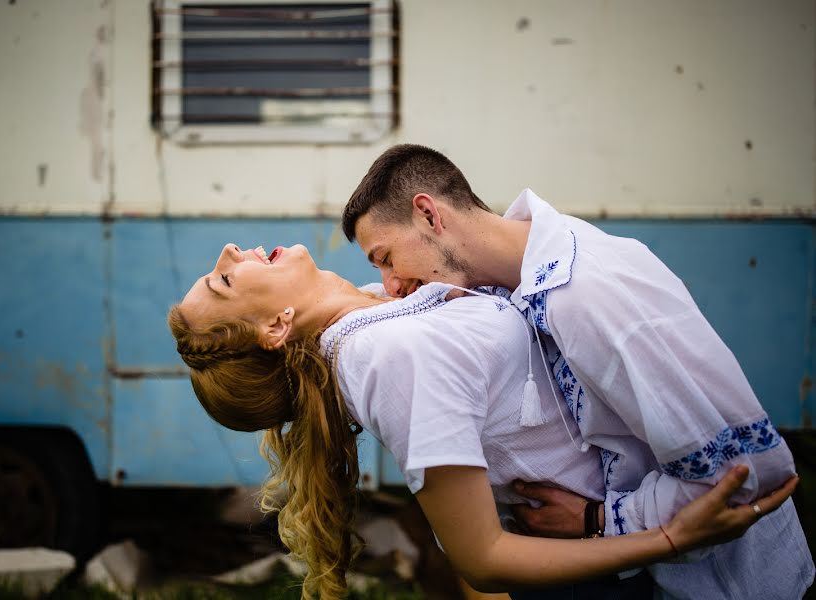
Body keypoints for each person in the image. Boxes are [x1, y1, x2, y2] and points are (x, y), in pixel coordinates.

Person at [167, 242, 797, 600]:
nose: (229, 250)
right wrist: (669, 540)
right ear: (276, 327)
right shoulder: (388, 357)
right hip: (618, 583)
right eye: (225, 278)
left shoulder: (384, 309)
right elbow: (482, 557)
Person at [341, 144, 814, 599]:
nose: (391, 286)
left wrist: (597, 519)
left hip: (732, 585)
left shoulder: (585, 297)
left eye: (386, 259)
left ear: (429, 214)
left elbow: (746, 473)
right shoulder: (517, 275)